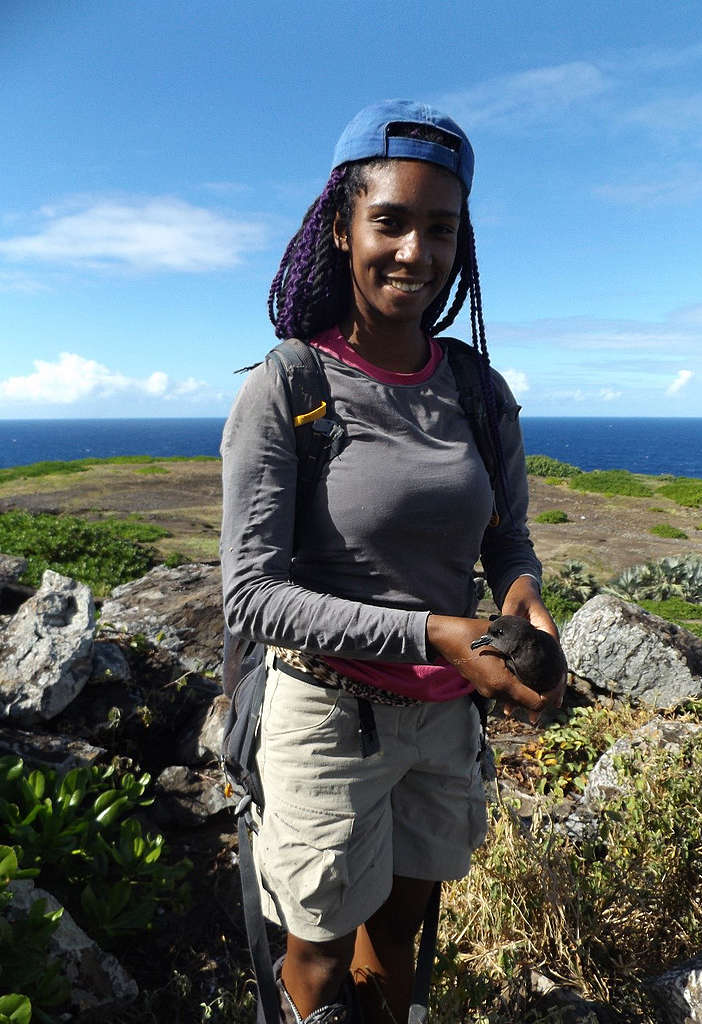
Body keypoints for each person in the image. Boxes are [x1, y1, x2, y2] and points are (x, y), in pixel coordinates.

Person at [220, 99, 565, 1024]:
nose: (417, 251)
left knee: (402, 934)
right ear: (342, 228)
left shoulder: (477, 391)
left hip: (443, 723)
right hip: (327, 715)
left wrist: (522, 597)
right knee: (320, 960)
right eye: (392, 222)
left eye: (441, 230)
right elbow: (253, 595)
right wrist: (434, 631)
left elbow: (506, 537)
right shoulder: (287, 385)